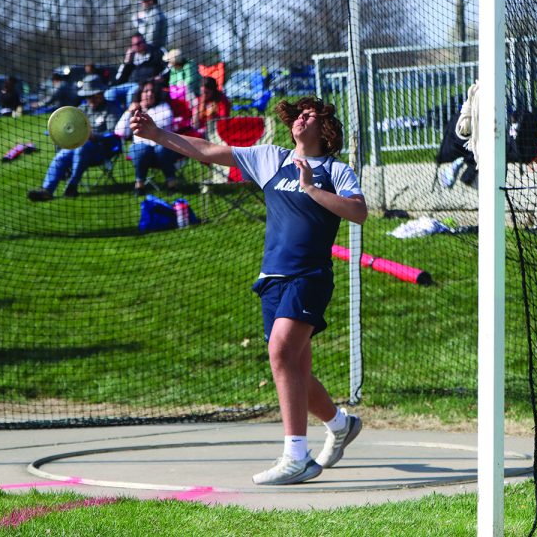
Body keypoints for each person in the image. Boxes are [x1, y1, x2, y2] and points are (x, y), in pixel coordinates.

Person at [130, 96, 367, 485]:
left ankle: (296, 456)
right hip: (272, 277)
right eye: (299, 114)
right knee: (293, 368)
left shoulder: (335, 171)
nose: (301, 119)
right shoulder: (271, 158)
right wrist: (156, 134)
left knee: (280, 353)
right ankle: (340, 424)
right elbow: (207, 150)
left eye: (311, 116)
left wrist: (310, 189)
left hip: (309, 276)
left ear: (324, 130)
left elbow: (358, 212)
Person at [27, 75, 121, 202]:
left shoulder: (111, 108)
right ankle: (47, 190)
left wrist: (95, 136)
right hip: (79, 147)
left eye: (94, 95)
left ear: (101, 93)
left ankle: (72, 185)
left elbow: (113, 132)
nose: (91, 99)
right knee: (61, 156)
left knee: (82, 147)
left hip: (102, 149)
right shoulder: (82, 109)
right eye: (88, 96)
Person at [124, 80, 178, 194]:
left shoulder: (163, 106)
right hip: (140, 150)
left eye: (152, 91)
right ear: (140, 94)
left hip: (162, 149)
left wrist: (144, 113)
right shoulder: (134, 110)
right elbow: (120, 131)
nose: (150, 94)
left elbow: (165, 121)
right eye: (146, 91)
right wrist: (129, 112)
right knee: (141, 149)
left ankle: (172, 185)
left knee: (161, 149)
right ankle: (139, 186)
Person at [106, 34, 165, 107]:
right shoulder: (131, 56)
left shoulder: (155, 52)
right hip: (130, 84)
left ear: (144, 42)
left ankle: (132, 115)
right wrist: (126, 62)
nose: (137, 46)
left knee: (131, 94)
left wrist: (162, 76)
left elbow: (167, 66)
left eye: (140, 43)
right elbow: (119, 79)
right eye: (134, 44)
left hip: (145, 84)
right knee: (109, 93)